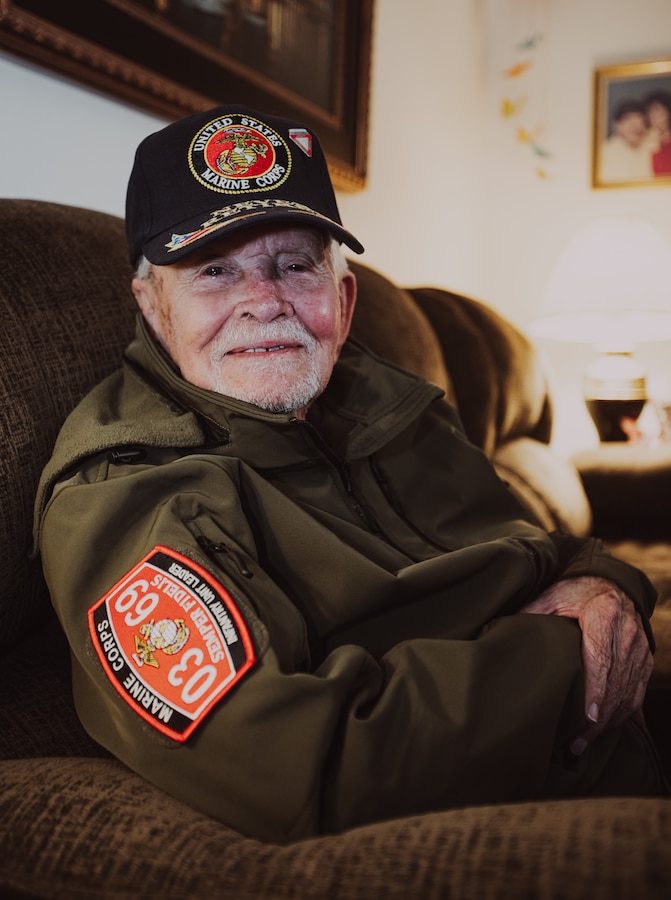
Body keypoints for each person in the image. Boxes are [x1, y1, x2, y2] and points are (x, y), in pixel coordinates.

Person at [35, 104, 667, 844]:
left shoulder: (385, 400)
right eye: (214, 270)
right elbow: (310, 766)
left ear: (343, 295)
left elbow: (540, 546)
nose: (264, 301)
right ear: (151, 305)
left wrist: (603, 585)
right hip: (508, 825)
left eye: (294, 264)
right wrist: (572, 651)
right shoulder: (129, 491)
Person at [600, 98, 656, 182]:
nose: (634, 125)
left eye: (639, 119)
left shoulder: (651, 145)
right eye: (627, 119)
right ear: (616, 125)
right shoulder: (605, 152)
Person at [644, 90, 671, 176]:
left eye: (657, 110)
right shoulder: (644, 141)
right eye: (649, 112)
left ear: (668, 113)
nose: (652, 115)